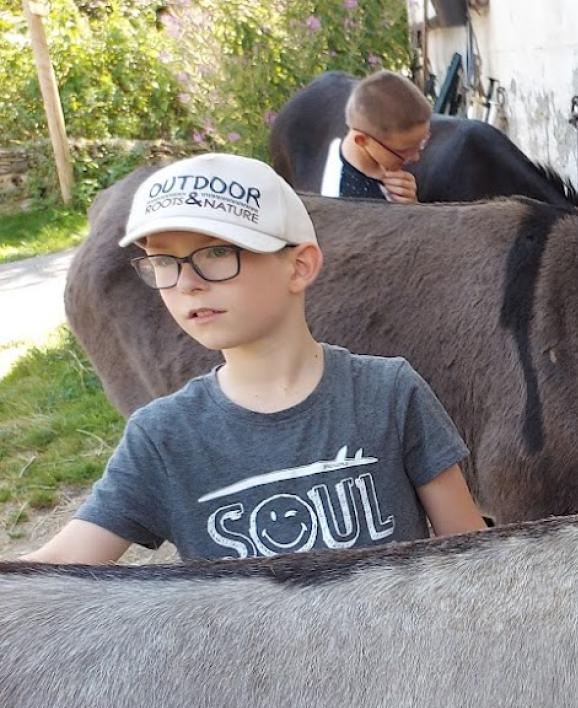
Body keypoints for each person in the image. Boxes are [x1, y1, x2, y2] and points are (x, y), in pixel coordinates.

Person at [22, 153, 484, 564]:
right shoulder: (163, 437)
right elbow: (59, 565)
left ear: (300, 265)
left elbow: (468, 557)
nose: (187, 283)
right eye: (164, 261)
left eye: (217, 253)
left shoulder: (390, 394)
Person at [321, 70, 431, 203]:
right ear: (362, 140)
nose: (416, 157)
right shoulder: (346, 198)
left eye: (421, 143)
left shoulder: (381, 153)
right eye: (403, 151)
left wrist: (413, 203)